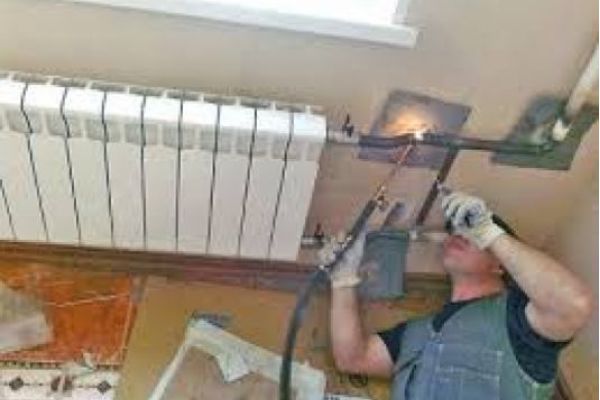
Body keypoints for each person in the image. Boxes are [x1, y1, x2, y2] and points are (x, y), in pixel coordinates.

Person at [328, 191, 593, 399]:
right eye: (455, 230)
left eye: (472, 232)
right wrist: (343, 279)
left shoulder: (517, 319)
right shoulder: (413, 334)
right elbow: (352, 357)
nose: (459, 234)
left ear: (500, 264)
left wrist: (490, 233)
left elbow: (573, 304)